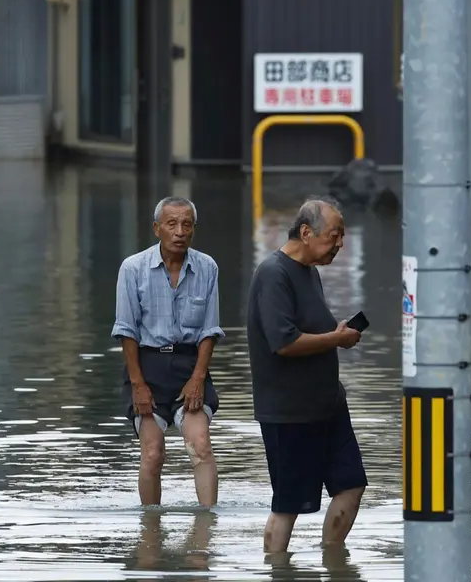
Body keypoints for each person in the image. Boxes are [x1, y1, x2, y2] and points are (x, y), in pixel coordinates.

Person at [247, 196, 366, 553]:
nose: (340, 244)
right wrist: (336, 338)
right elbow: (284, 342)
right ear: (305, 232)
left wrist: (336, 332)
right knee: (288, 506)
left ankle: (333, 560)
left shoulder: (310, 273)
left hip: (328, 404)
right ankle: (277, 569)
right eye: (334, 235)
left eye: (342, 236)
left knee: (352, 485)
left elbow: (314, 329)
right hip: (289, 411)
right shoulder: (273, 273)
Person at [112, 196, 223, 508]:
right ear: (156, 228)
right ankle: (151, 533)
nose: (179, 231)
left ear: (194, 229)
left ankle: (206, 531)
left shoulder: (207, 267)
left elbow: (209, 331)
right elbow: (126, 331)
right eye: (171, 224)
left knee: (200, 445)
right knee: (153, 452)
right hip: (146, 366)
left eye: (186, 224)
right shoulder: (133, 269)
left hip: (191, 364)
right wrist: (138, 385)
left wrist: (198, 378)